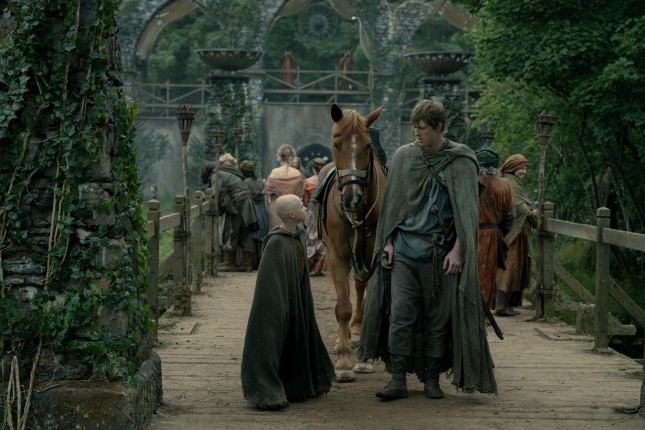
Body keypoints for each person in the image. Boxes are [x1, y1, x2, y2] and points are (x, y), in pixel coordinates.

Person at [358, 99, 497, 401]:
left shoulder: (462, 160)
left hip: (440, 255)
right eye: (415, 128)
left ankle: (432, 380)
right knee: (400, 315)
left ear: (439, 127)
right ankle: (397, 378)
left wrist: (458, 250)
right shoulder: (404, 157)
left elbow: (467, 214)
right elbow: (392, 206)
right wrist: (387, 242)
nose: (417, 133)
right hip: (404, 252)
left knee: (438, 319)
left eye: (422, 128)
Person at [241, 194, 336, 410]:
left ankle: (296, 385)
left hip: (298, 297)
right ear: (292, 214)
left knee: (299, 335)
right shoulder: (276, 242)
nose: (305, 208)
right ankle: (266, 389)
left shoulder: (299, 234)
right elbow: (269, 282)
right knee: (273, 336)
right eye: (301, 206)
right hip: (278, 300)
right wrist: (279, 307)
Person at [495, 154, 537, 316]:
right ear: (512, 168)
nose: (524, 171)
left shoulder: (515, 183)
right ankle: (501, 306)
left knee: (517, 268)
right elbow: (518, 207)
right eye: (521, 168)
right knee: (509, 268)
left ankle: (509, 305)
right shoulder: (509, 182)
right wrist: (531, 212)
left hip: (520, 232)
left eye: (525, 168)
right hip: (513, 233)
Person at [475, 147, 516, 310]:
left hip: (471, 234)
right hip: (494, 235)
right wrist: (500, 232)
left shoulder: (469, 182)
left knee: (470, 275)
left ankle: (470, 313)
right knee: (488, 276)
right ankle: (484, 314)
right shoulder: (505, 185)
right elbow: (511, 216)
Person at [210, 153, 259, 272]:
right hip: (247, 202)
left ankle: (229, 263)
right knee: (245, 231)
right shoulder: (237, 174)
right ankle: (247, 265)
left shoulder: (218, 174)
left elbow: (214, 193)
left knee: (230, 230)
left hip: (236, 204)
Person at [263, 144, 306, 228]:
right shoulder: (297, 173)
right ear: (292, 157)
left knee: (279, 231)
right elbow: (301, 193)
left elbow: (267, 192)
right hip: (293, 206)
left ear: (280, 156)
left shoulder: (274, 172)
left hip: (278, 207)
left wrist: (269, 207)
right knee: (294, 231)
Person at [240, 160, 270, 270]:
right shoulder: (259, 181)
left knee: (250, 234)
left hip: (251, 209)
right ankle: (259, 261)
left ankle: (248, 262)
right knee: (261, 233)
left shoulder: (244, 182)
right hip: (262, 210)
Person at [303, 157, 328, 276]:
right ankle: (317, 269)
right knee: (323, 239)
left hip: (312, 212)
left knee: (311, 238)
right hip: (325, 212)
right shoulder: (328, 181)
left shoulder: (307, 182)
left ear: (313, 168)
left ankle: (309, 266)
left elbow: (305, 200)